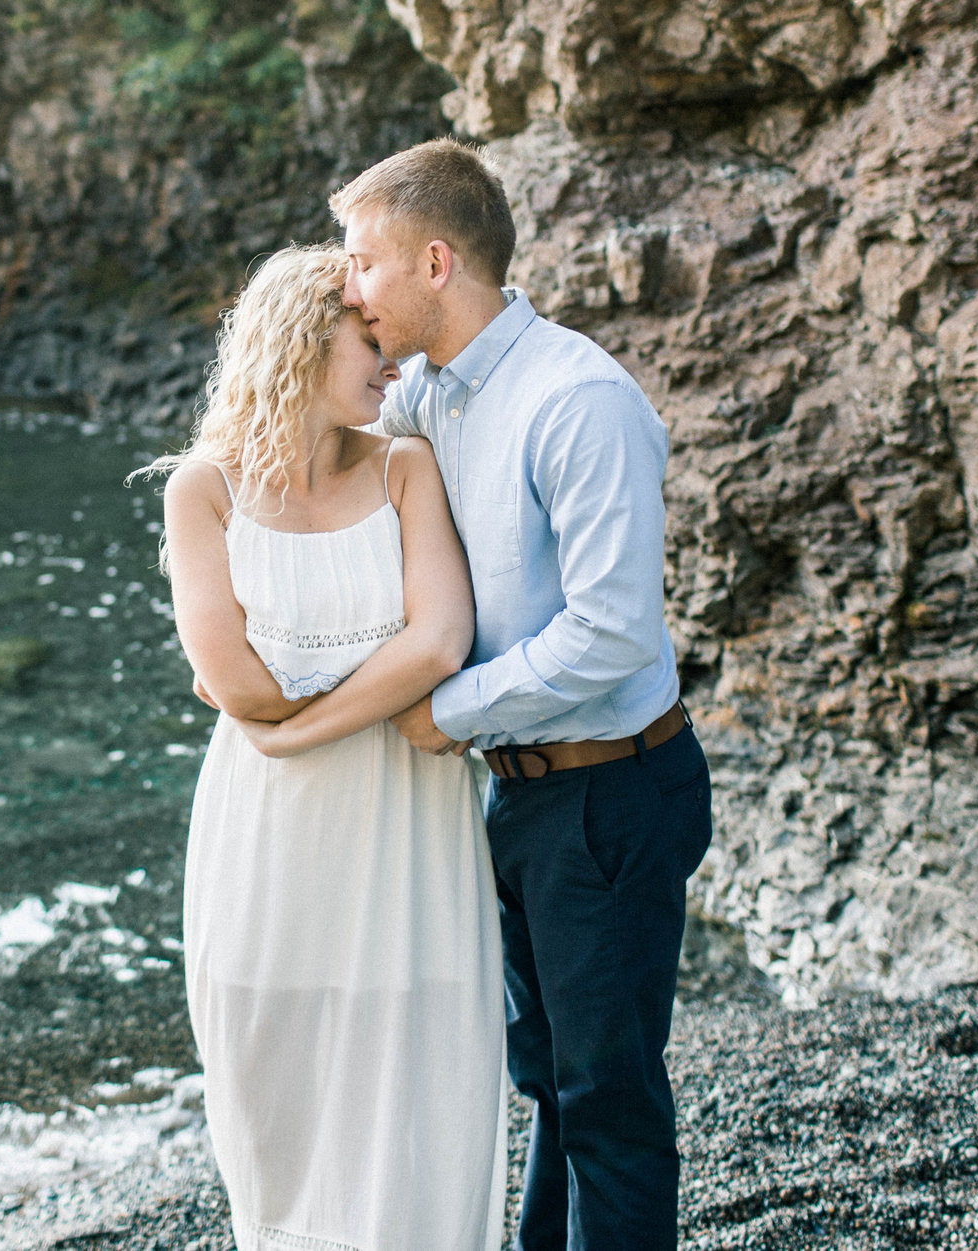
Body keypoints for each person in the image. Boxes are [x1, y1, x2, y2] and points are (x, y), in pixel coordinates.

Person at [333, 140, 712, 1251]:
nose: (347, 286)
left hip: (611, 789)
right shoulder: (431, 400)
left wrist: (439, 713)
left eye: (361, 263)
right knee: (548, 1077)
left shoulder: (576, 397)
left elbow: (609, 633)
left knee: (609, 1099)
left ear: (436, 261)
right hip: (521, 796)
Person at [153, 244, 507, 1251]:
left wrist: (299, 724)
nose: (390, 360)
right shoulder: (202, 489)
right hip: (264, 833)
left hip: (406, 825)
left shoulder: (406, 466)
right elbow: (235, 682)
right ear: (306, 334)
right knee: (274, 1088)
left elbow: (440, 637)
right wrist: (379, 669)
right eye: (369, 336)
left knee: (419, 1091)